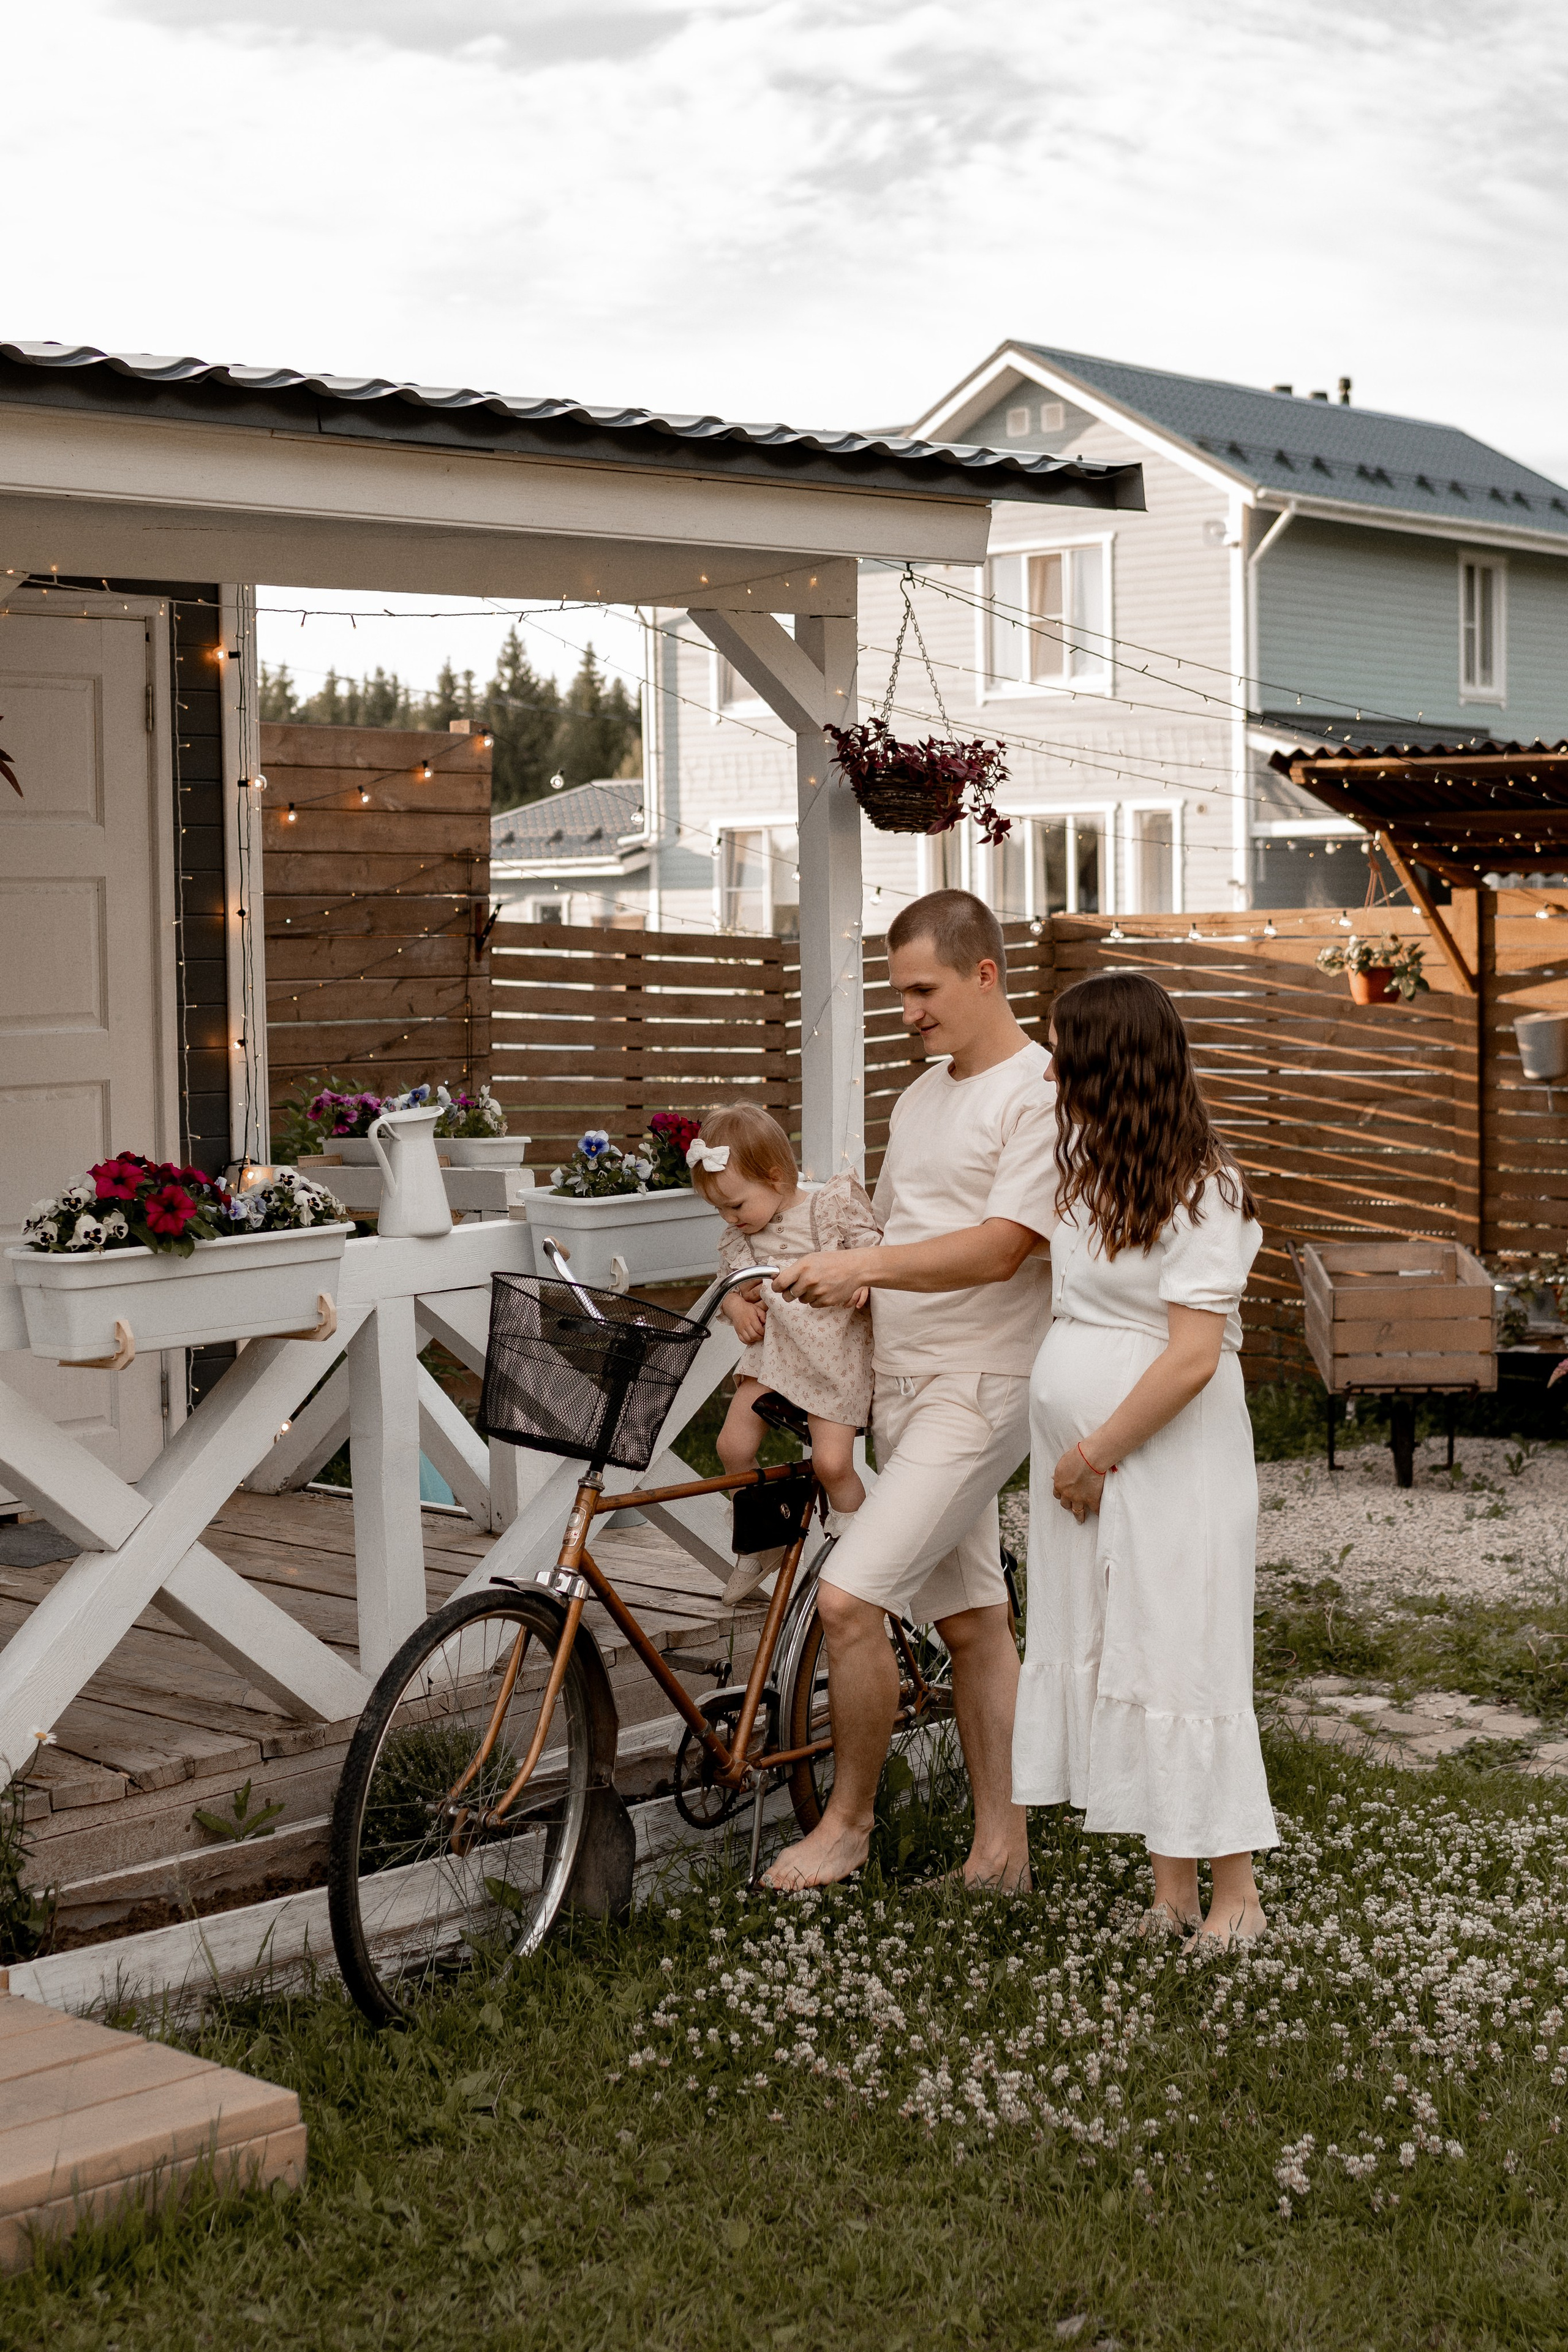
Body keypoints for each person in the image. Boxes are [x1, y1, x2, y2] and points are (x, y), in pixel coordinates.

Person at [767, 888, 1058, 1891]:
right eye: (899, 994)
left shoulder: (1039, 1092)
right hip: (901, 1384)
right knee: (974, 1622)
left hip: (979, 1387)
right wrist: (826, 1269)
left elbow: (1005, 1246)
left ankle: (847, 1827)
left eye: (924, 990)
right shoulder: (922, 1096)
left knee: (848, 1601)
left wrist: (867, 1269)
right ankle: (1002, 1856)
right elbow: (894, 1233)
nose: (910, 1012)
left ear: (985, 973)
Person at [1012, 968, 1277, 1948]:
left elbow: (1193, 1358)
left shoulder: (1207, 1190)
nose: (1050, 1076)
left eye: (1063, 1057)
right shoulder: (1090, 1173)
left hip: (1168, 1460)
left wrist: (1094, 1452)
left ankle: (1237, 1896)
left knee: (1186, 1652)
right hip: (1092, 1467)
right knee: (1126, 1645)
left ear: (1111, 1065)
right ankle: (1171, 1893)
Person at [689, 1103, 881, 1607]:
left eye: (735, 1205)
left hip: (833, 1356)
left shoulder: (831, 1207)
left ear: (775, 1178)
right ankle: (762, 1540)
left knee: (832, 1463)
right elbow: (727, 1284)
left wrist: (863, 1275)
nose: (730, 1218)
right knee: (732, 1447)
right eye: (719, 1210)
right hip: (774, 1355)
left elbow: (871, 1248)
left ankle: (860, 1558)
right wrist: (736, 1306)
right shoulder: (741, 1237)